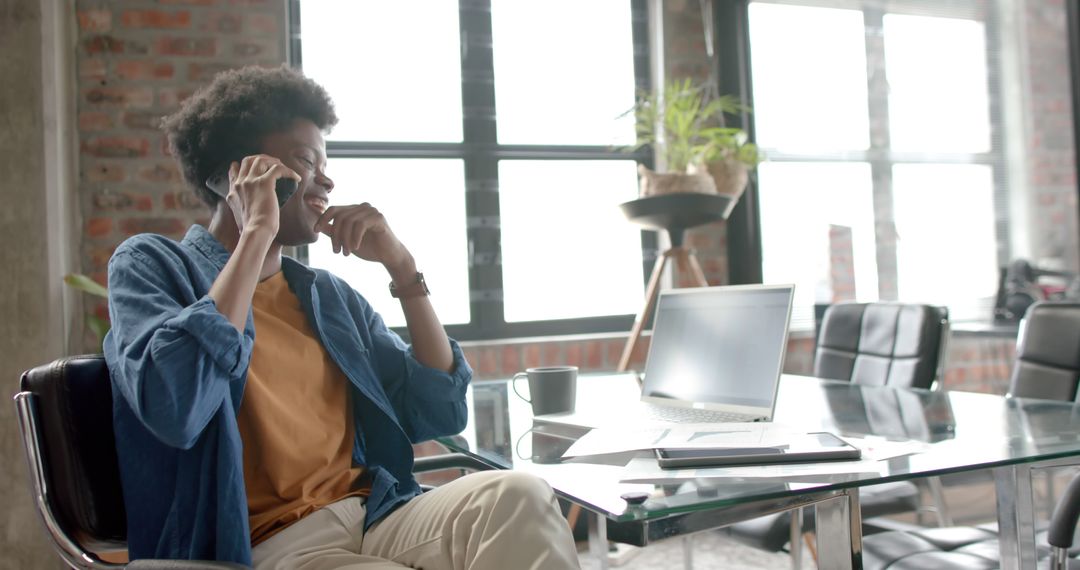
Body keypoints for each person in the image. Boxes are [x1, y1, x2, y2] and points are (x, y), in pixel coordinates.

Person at [103, 64, 581, 570]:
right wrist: (256, 232)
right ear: (234, 175)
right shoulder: (152, 266)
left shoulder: (326, 296)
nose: (326, 178)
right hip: (266, 545)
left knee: (518, 496)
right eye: (305, 161)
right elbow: (175, 406)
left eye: (325, 163)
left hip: (377, 515)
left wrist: (403, 267)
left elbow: (439, 411)